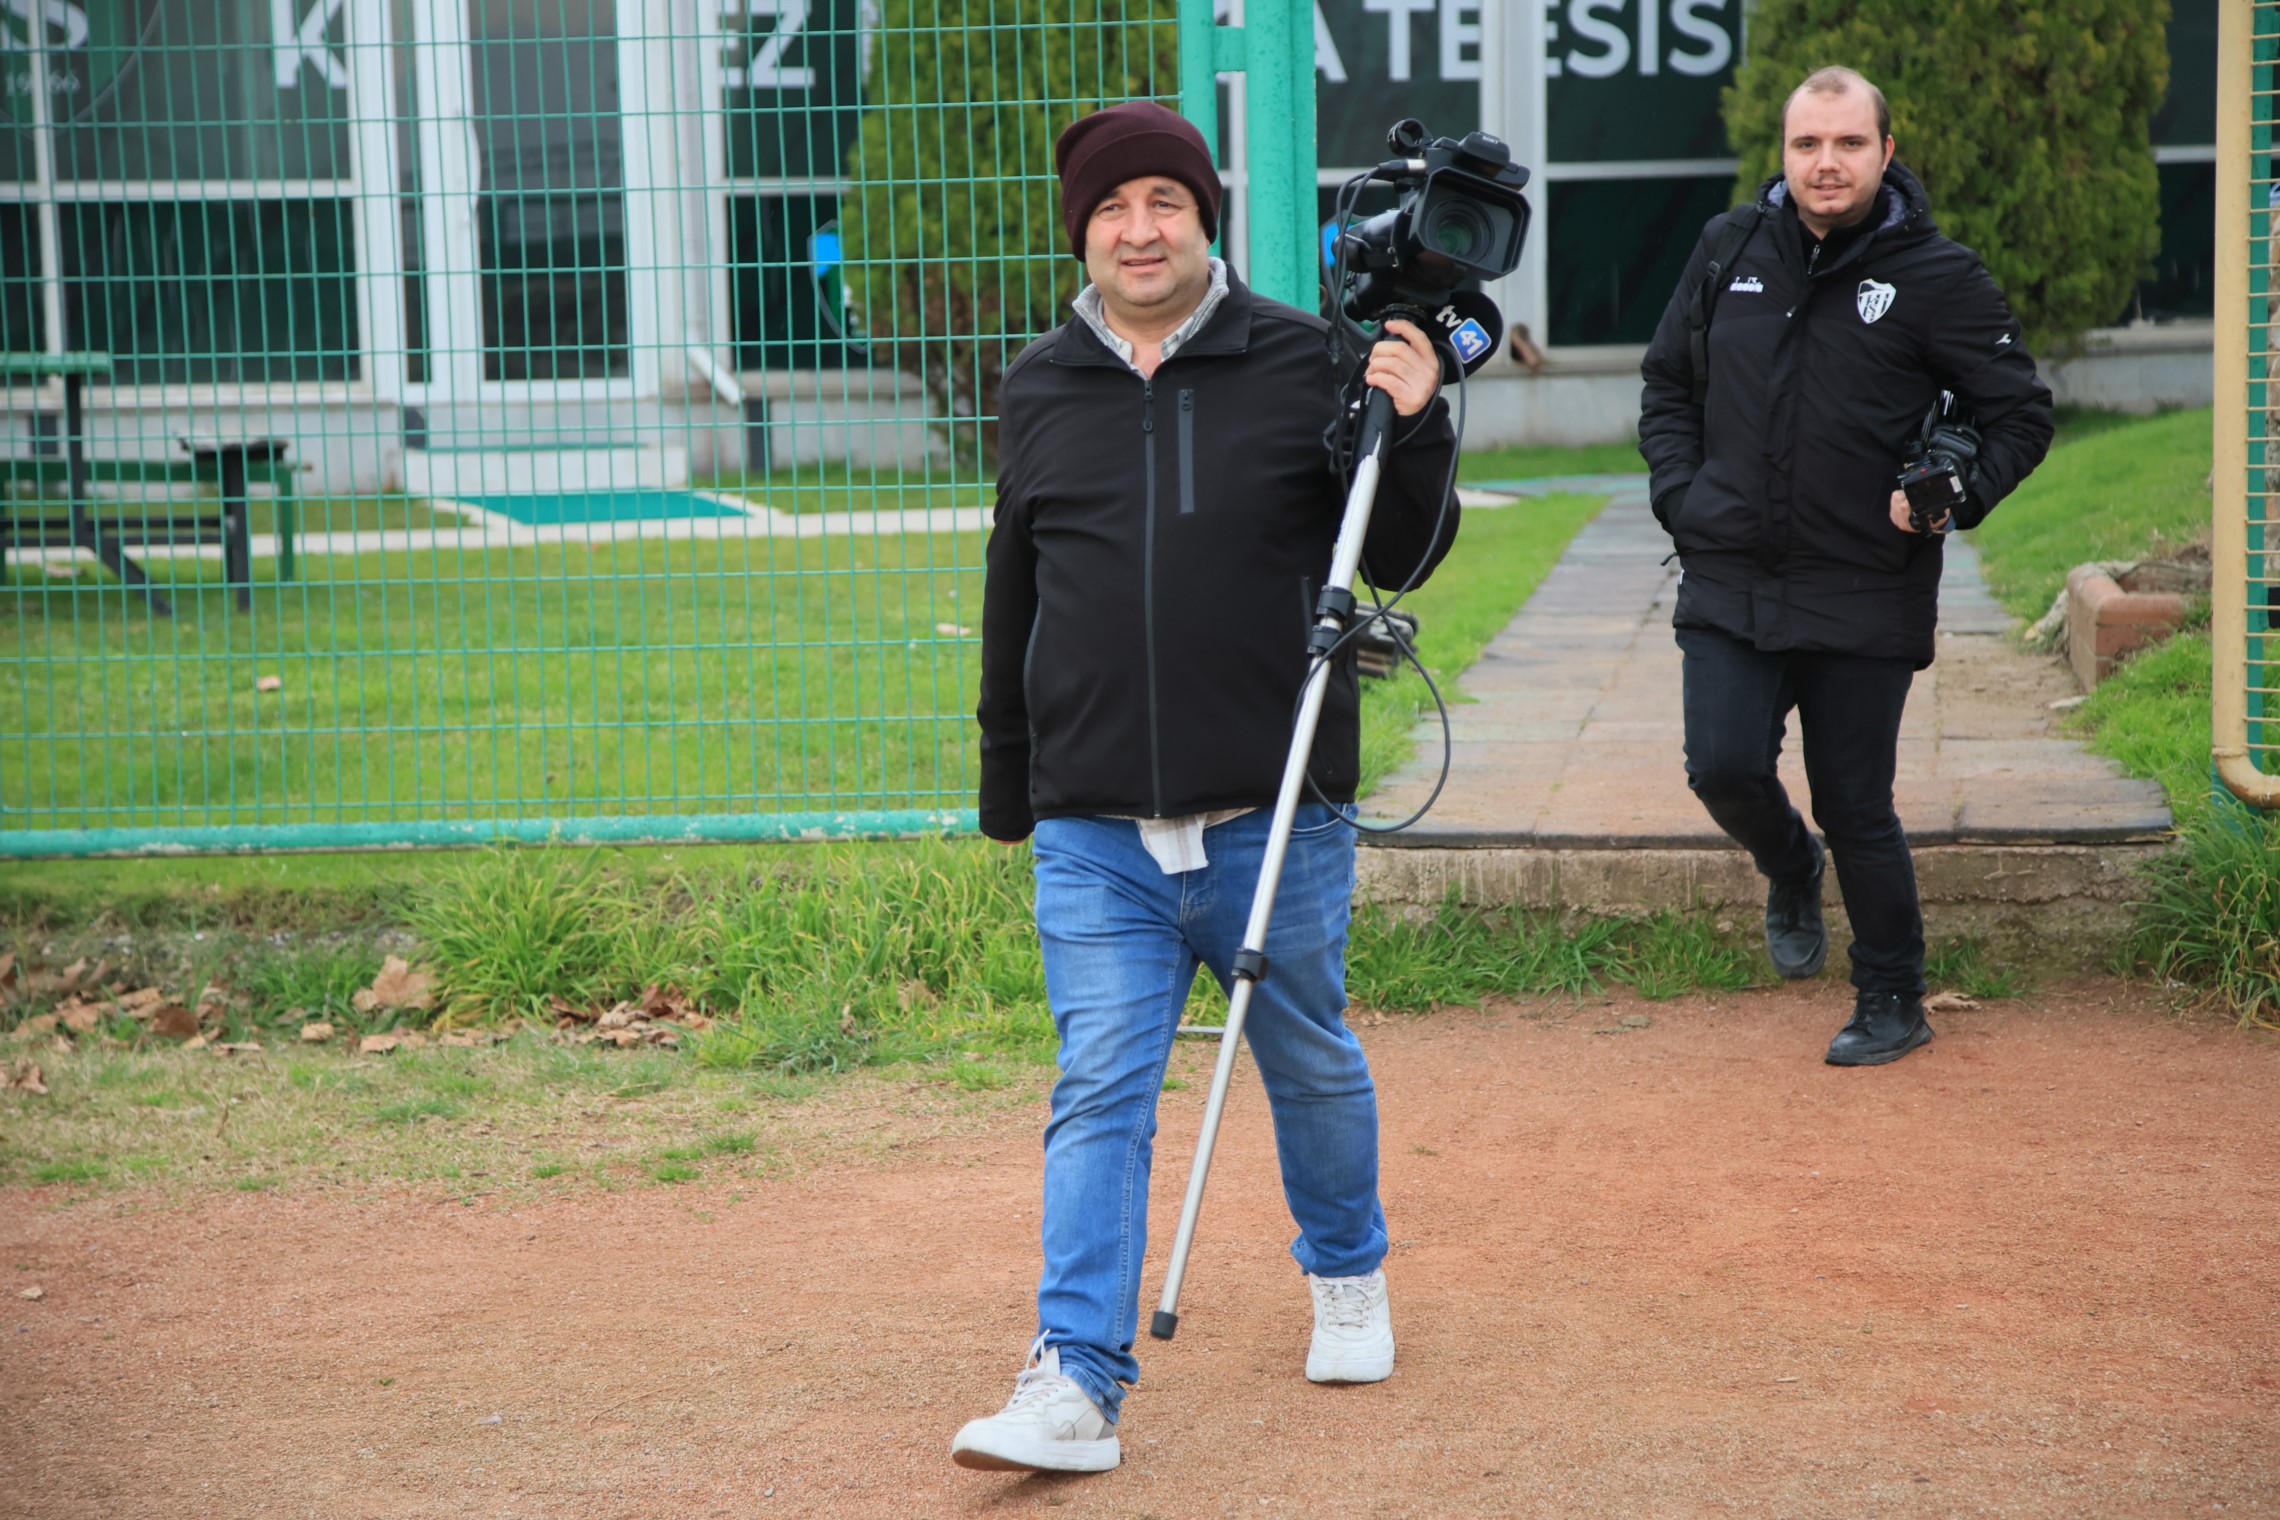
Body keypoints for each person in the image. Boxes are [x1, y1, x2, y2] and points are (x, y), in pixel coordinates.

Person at [954, 99, 1459, 1474]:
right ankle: (1074, 1379)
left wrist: (1411, 429)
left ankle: (1347, 1267)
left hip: (1273, 808)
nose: (1138, 229)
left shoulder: (1309, 359)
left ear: (1203, 218)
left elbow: (1403, 554)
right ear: (1085, 232)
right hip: (1094, 824)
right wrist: (1013, 775)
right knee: (1101, 1083)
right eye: (1114, 209)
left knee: (1305, 1057)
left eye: (1163, 203)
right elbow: (1016, 594)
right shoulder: (1039, 384)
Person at [1637, 67, 2053, 1066]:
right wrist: (1683, 499)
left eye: (1848, 144)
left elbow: (2021, 412)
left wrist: (1955, 495)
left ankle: (1893, 993)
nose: (1827, 163)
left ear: (1885, 152)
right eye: (1807, 144)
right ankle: (1789, 863)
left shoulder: (1939, 275)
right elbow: (1667, 385)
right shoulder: (1728, 247)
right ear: (1782, 153)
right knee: (1723, 767)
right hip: (1731, 571)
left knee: (1856, 801)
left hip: (1866, 582)